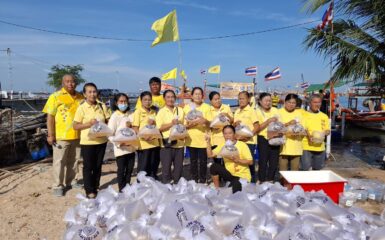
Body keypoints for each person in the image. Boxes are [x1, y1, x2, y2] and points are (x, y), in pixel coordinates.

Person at [42, 74, 84, 197]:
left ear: (76, 83)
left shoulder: (80, 97)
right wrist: (50, 134)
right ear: (63, 83)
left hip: (77, 135)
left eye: (73, 81)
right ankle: (57, 185)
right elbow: (50, 117)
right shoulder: (55, 96)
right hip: (61, 136)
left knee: (75, 160)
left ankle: (71, 181)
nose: (70, 84)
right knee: (59, 161)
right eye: (67, 81)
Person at [73, 83, 111, 198]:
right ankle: (89, 190)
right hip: (88, 142)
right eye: (89, 92)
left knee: (98, 166)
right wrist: (89, 124)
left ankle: (96, 186)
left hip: (101, 141)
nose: (92, 94)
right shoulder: (82, 107)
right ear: (84, 94)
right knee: (88, 166)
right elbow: (75, 126)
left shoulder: (102, 106)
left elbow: (109, 120)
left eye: (94, 91)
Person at [206, 125, 253, 193]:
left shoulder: (242, 145)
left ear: (234, 134)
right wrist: (208, 142)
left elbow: (250, 162)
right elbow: (210, 155)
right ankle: (217, 189)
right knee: (213, 167)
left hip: (242, 176)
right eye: (225, 133)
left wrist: (238, 160)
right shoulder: (223, 145)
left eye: (230, 133)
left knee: (234, 187)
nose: (227, 135)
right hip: (230, 175)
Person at [108, 93, 136, 192]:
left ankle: (127, 186)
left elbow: (135, 130)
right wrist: (119, 143)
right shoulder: (114, 116)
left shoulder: (131, 114)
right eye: (121, 101)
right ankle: (121, 189)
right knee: (121, 170)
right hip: (120, 149)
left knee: (129, 169)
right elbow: (110, 134)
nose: (123, 103)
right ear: (116, 103)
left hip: (131, 148)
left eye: (125, 101)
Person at [156, 90, 185, 184]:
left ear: (175, 98)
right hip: (166, 145)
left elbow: (185, 125)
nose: (170, 99)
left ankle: (177, 185)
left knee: (178, 168)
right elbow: (159, 128)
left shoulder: (180, 110)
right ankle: (166, 186)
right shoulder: (161, 112)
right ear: (164, 99)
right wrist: (171, 123)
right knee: (166, 168)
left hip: (179, 144)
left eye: (172, 97)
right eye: (168, 97)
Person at [184, 87, 211, 183]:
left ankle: (203, 179)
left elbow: (210, 123)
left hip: (204, 139)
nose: (198, 96)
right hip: (191, 139)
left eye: (200, 94)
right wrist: (194, 123)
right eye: (196, 94)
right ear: (192, 96)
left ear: (202, 96)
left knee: (203, 161)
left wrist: (205, 121)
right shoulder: (187, 107)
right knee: (193, 161)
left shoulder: (207, 107)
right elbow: (185, 125)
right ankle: (194, 179)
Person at [132, 91, 160, 179]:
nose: (147, 102)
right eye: (145, 100)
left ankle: (152, 182)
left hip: (154, 143)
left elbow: (157, 126)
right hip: (143, 144)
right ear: (141, 100)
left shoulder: (153, 112)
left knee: (153, 165)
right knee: (143, 167)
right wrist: (144, 136)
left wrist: (154, 122)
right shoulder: (138, 112)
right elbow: (135, 128)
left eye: (149, 100)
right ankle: (141, 185)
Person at [233, 91, 259, 183]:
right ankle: (240, 182)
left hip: (249, 142)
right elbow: (235, 127)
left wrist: (248, 137)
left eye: (243, 98)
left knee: (250, 164)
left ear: (248, 99)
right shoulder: (236, 111)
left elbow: (257, 126)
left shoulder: (252, 111)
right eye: (239, 99)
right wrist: (235, 124)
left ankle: (252, 183)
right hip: (239, 142)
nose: (241, 100)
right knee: (240, 163)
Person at [301, 94, 331, 170]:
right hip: (306, 147)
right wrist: (309, 136)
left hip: (320, 147)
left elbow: (327, 130)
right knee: (305, 170)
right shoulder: (303, 114)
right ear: (310, 103)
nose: (317, 104)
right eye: (315, 102)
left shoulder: (324, 116)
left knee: (317, 170)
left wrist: (325, 133)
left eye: (319, 102)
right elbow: (303, 129)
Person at [256, 92, 279, 182]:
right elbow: (258, 128)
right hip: (263, 139)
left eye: (270, 101)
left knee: (274, 162)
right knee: (263, 161)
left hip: (275, 138)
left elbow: (280, 123)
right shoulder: (257, 112)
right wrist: (268, 121)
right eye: (266, 101)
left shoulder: (275, 110)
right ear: (260, 102)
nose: (268, 103)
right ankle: (261, 179)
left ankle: (270, 179)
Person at [278, 94, 304, 171]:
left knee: (295, 172)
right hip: (282, 148)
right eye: (289, 102)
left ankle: (294, 183)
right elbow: (275, 128)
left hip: (296, 147)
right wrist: (288, 124)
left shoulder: (299, 114)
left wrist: (297, 133)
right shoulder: (278, 112)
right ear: (285, 102)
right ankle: (283, 183)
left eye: (293, 103)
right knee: (283, 171)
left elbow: (303, 129)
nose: (291, 105)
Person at [207, 91, 234, 164]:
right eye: (215, 99)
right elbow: (208, 124)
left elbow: (232, 121)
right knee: (217, 162)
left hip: (227, 139)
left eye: (219, 98)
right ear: (211, 101)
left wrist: (227, 115)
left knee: (227, 162)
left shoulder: (226, 107)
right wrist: (214, 125)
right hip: (215, 140)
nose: (218, 101)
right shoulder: (208, 109)